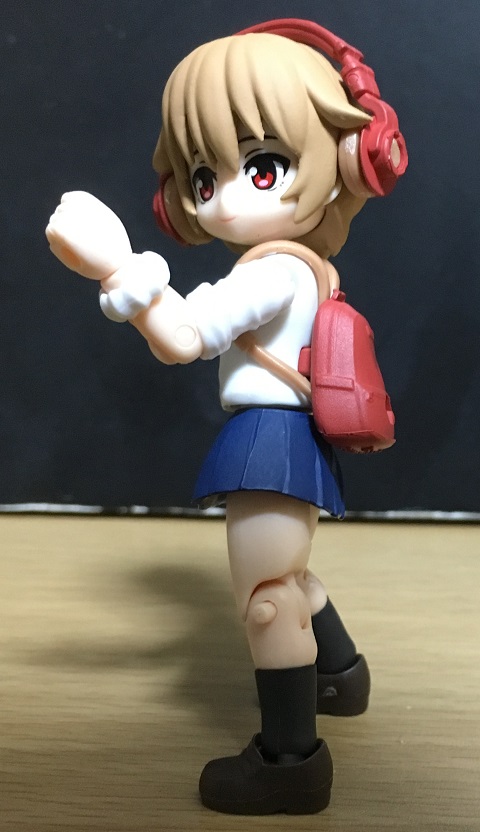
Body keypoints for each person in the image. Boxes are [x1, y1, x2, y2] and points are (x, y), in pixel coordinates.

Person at [46, 20, 406, 815]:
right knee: (287, 577)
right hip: (287, 439)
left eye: (263, 166)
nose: (226, 197)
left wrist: (114, 265)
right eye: (204, 179)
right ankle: (338, 677)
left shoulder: (270, 273)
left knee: (268, 598)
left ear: (352, 157)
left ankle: (290, 762)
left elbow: (182, 338)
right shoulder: (308, 267)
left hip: (270, 440)